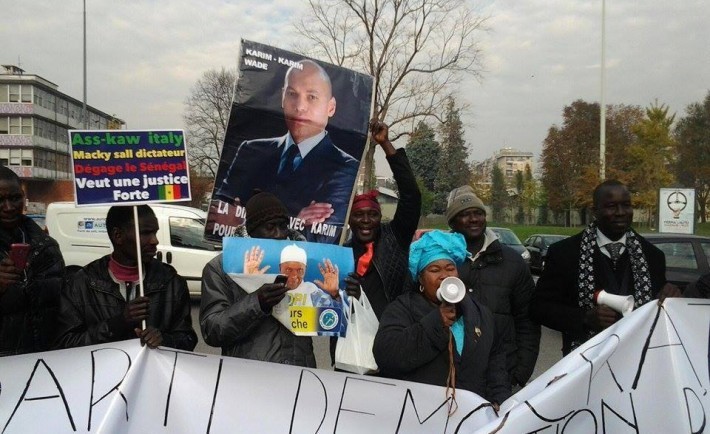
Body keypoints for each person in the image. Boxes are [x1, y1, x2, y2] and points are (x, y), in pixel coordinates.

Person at [214, 59, 359, 241]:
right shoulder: (251, 150)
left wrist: (244, 222)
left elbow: (322, 237)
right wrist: (296, 222)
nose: (299, 107)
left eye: (311, 97)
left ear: (331, 107)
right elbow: (217, 217)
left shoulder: (345, 167)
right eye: (292, 94)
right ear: (283, 97)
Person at [531, 180, 681, 356]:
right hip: (584, 363)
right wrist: (584, 318)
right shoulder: (565, 253)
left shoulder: (652, 256)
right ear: (595, 211)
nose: (620, 213)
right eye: (611, 206)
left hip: (639, 362)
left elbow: (660, 313)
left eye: (626, 206)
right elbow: (538, 308)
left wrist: (671, 299)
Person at [373, 230, 511, 406]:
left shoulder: (480, 313)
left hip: (469, 417)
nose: (445, 275)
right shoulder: (402, 309)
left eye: (450, 268)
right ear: (420, 279)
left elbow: (496, 365)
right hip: (421, 414)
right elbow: (386, 356)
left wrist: (500, 401)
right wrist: (436, 323)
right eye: (434, 269)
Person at [200, 191, 325, 366]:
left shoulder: (303, 261)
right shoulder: (221, 268)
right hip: (250, 377)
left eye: (283, 226)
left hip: (298, 372)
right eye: (270, 227)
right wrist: (257, 303)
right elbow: (212, 331)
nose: (279, 234)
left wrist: (339, 294)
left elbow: (321, 318)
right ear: (252, 230)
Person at [54, 205, 197, 351]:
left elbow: (187, 339)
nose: (155, 240)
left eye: (155, 232)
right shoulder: (80, 284)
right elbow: (66, 344)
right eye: (145, 233)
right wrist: (117, 324)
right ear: (118, 236)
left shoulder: (171, 282)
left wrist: (164, 340)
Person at [446, 185, 540, 389]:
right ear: (453, 222)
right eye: (465, 215)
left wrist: (521, 372)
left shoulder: (513, 262)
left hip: (502, 374)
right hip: (449, 372)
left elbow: (527, 321)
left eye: (478, 213)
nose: (473, 219)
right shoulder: (440, 262)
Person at [343, 119, 422, 318]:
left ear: (380, 217)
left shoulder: (396, 238)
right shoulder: (339, 252)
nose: (366, 220)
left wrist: (385, 144)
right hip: (351, 340)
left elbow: (411, 195)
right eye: (359, 215)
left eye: (373, 214)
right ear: (350, 220)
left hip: (391, 336)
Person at [0, 166, 65, 356]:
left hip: (46, 361)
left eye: (14, 198)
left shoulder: (47, 246)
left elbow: (66, 307)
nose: (9, 207)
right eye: (0, 200)